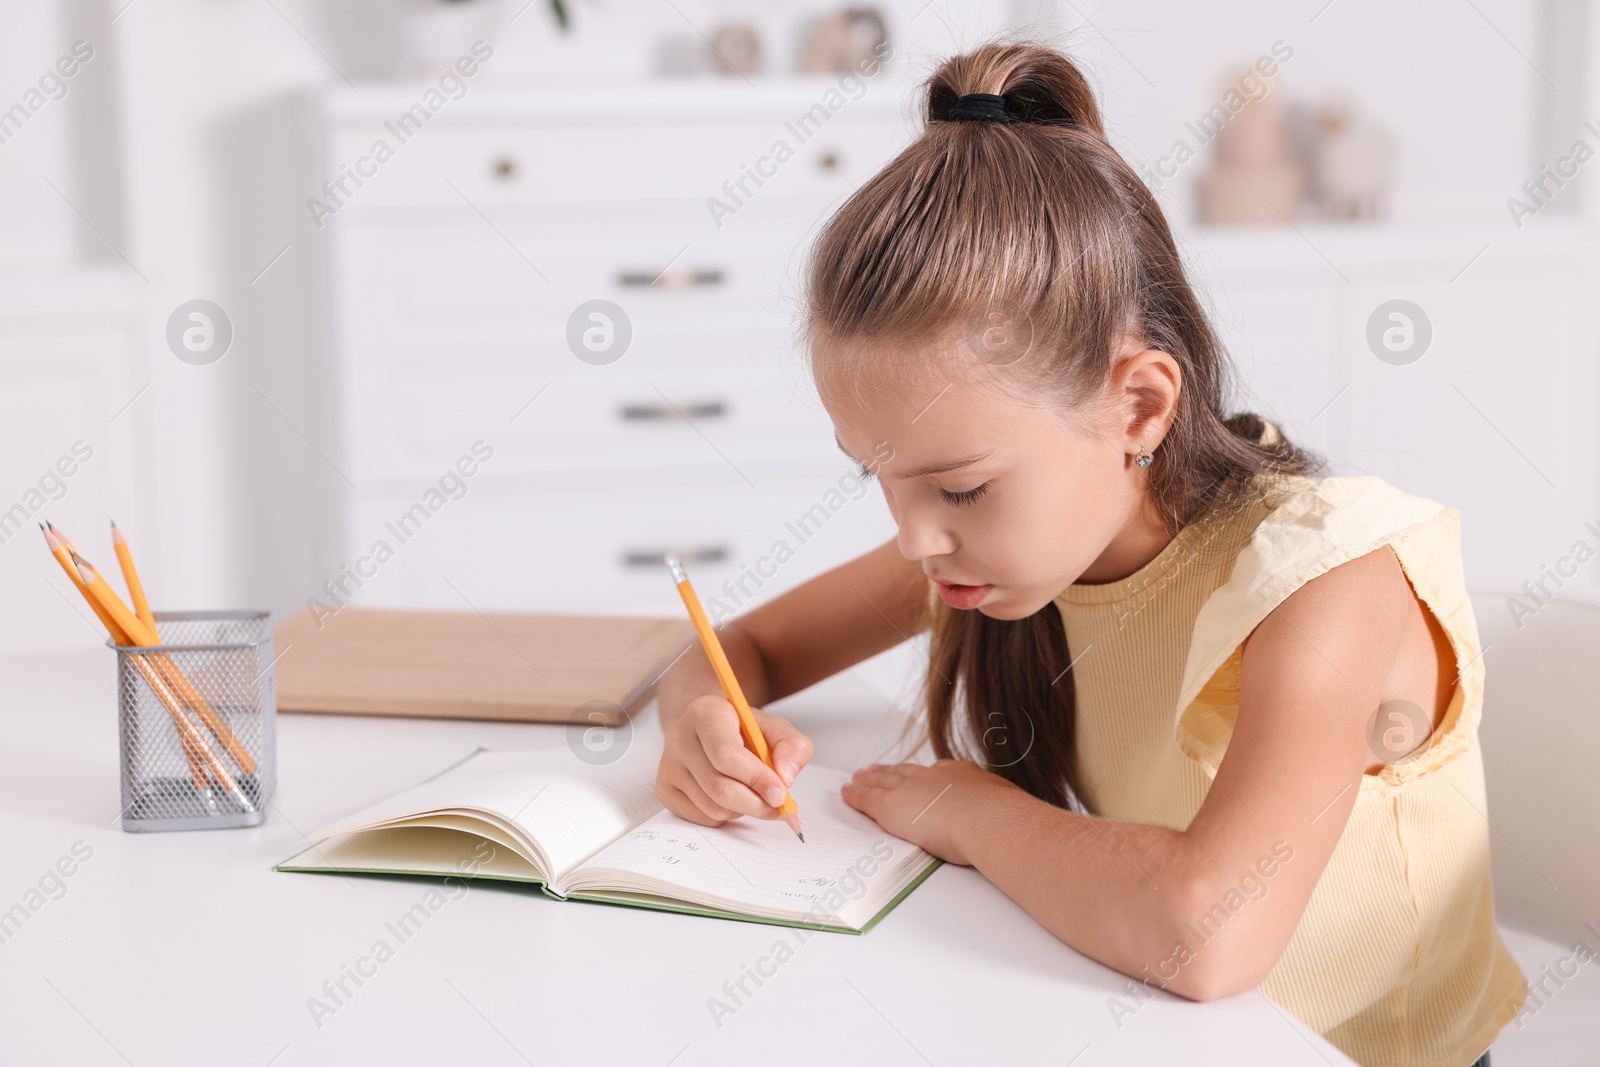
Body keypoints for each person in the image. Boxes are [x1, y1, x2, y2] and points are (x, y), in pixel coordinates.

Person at [654, 39, 1525, 1067]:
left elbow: (1205, 929)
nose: (913, 537)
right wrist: (705, 723)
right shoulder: (1002, 547)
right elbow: (736, 646)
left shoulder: (1323, 581)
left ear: (1138, 404)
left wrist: (969, 809)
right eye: (874, 475)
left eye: (961, 484)